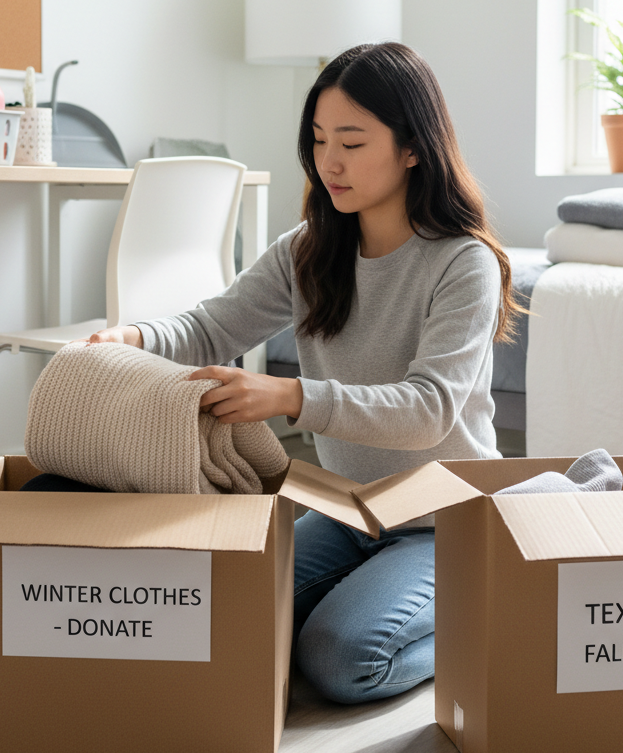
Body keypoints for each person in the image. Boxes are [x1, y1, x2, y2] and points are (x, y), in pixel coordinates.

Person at [86, 42, 517, 704]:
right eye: (318, 141)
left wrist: (290, 396)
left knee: (342, 659)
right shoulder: (308, 250)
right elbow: (209, 328)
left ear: (413, 148)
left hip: (443, 520)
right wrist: (132, 336)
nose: (329, 162)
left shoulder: (464, 264)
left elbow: (429, 409)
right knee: (222, 624)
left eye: (352, 141)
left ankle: (487, 613)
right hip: (346, 510)